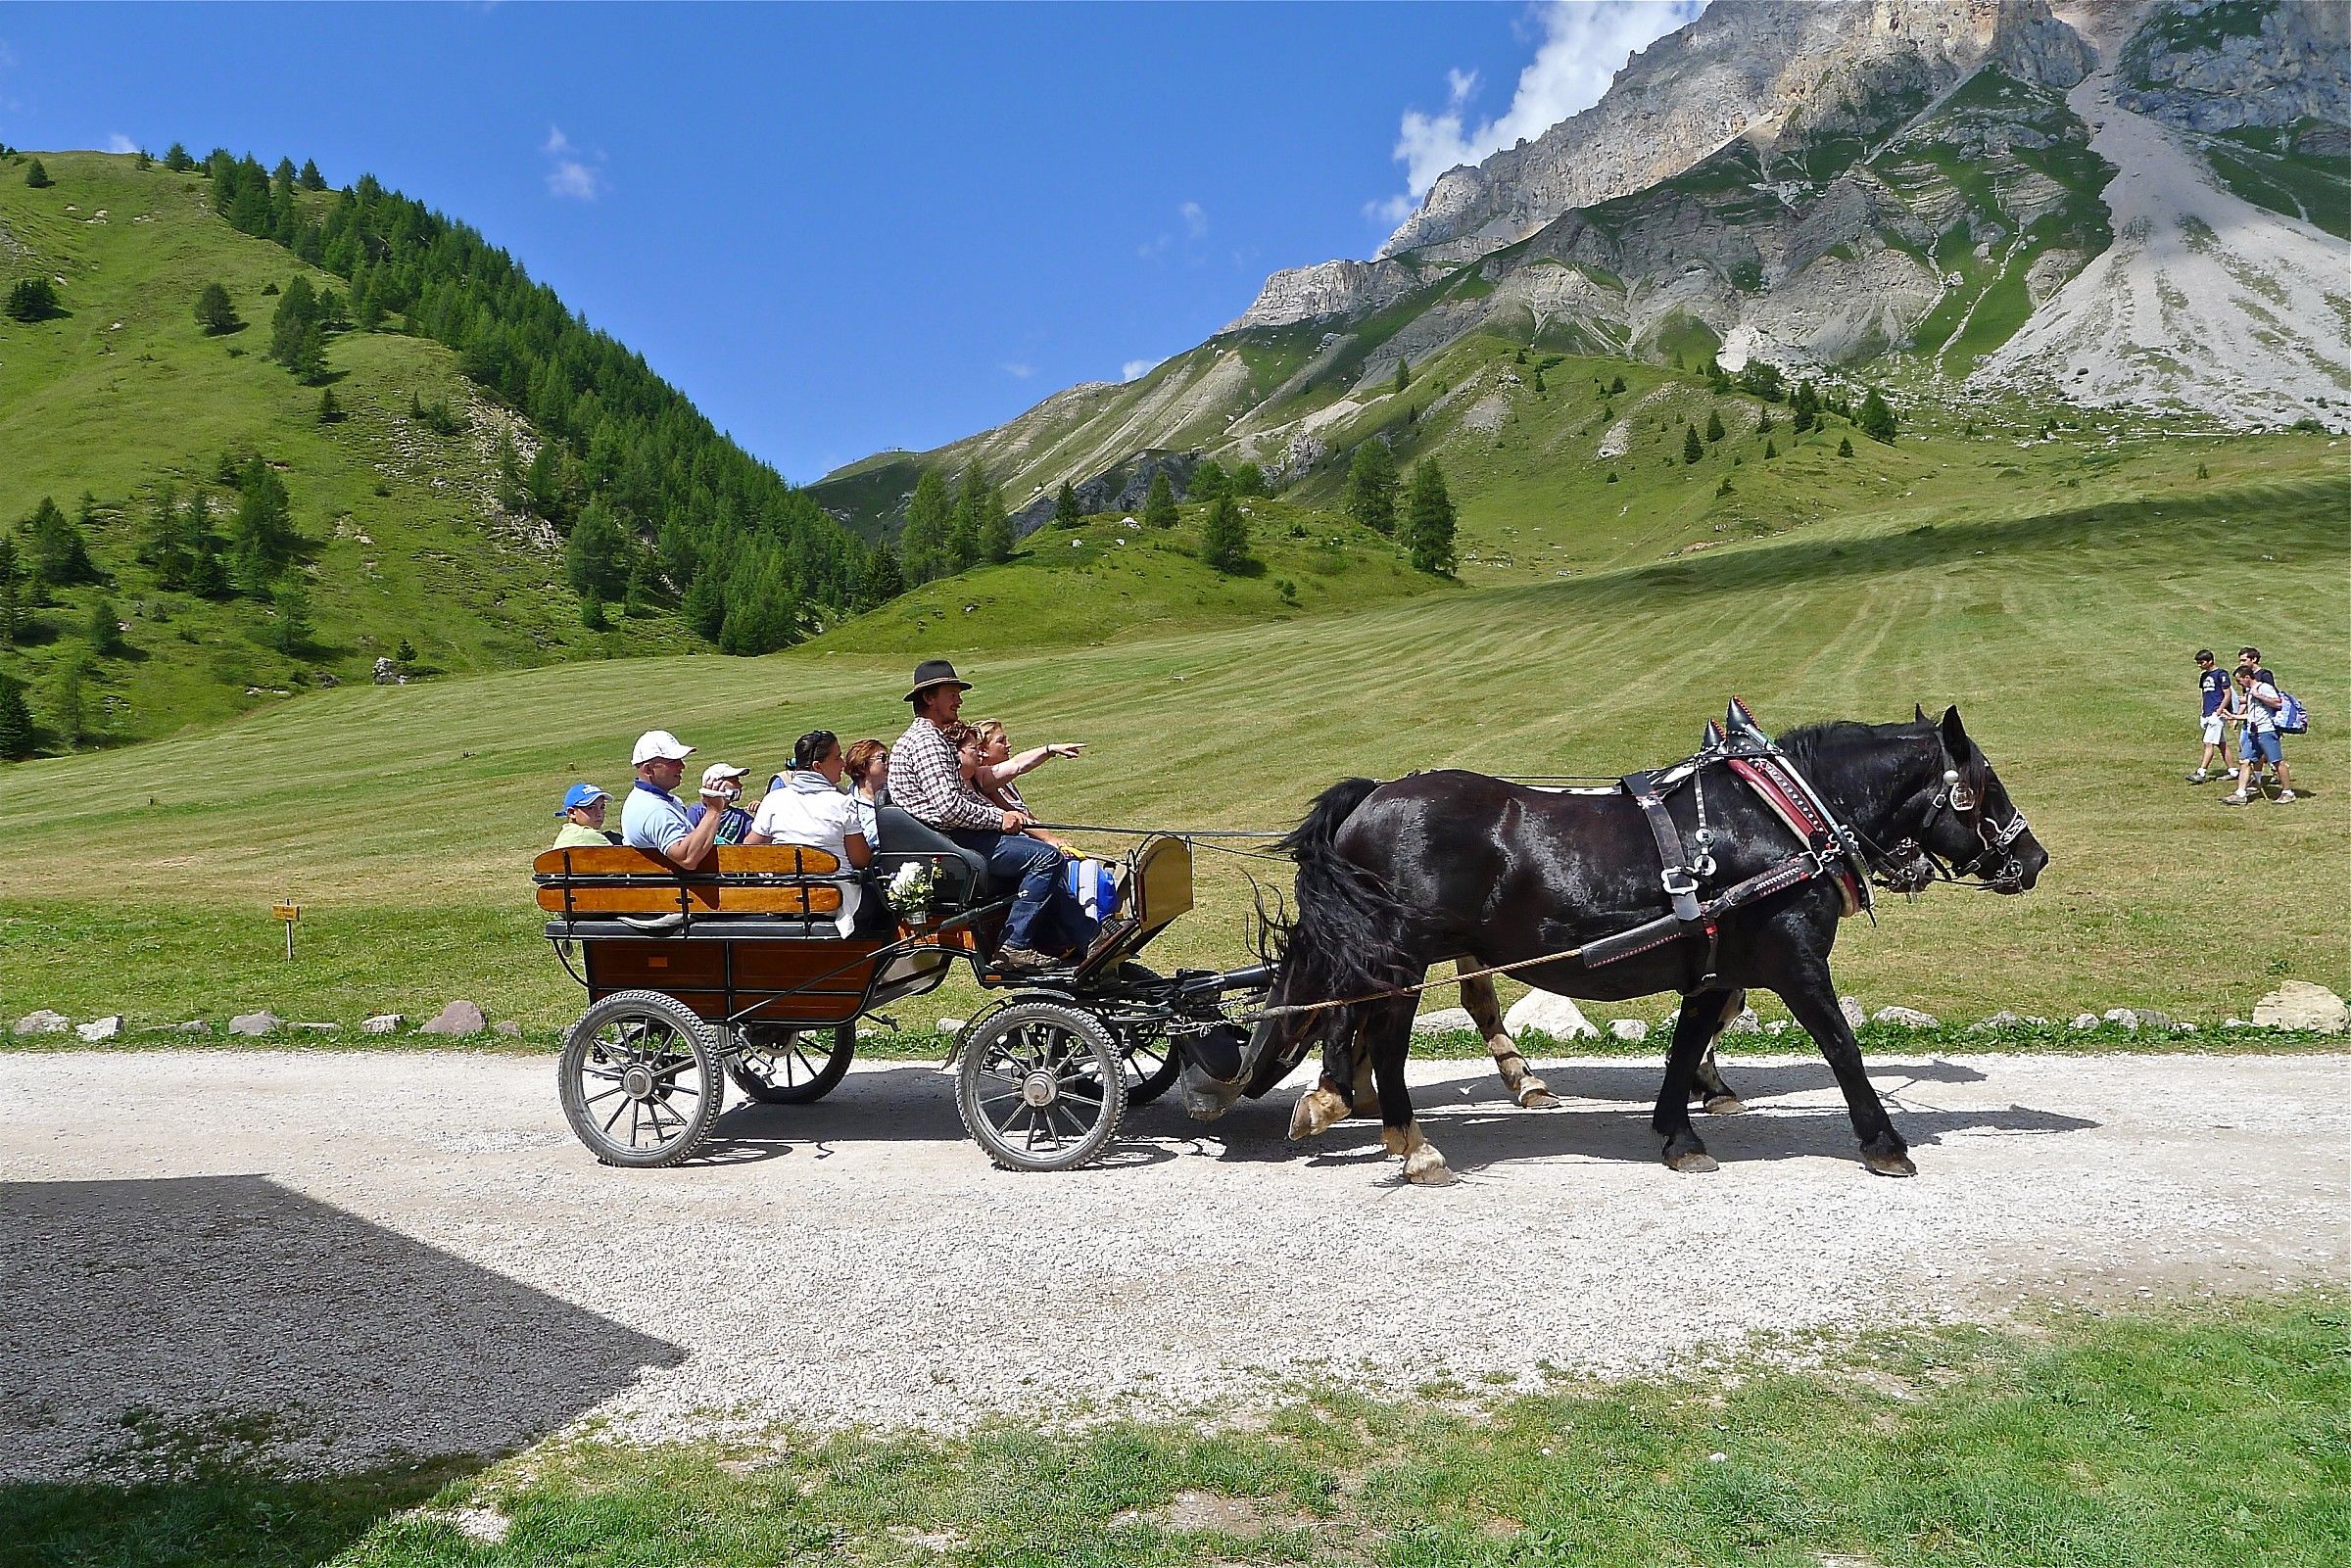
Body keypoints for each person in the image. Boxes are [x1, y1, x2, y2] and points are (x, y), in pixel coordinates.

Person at [887, 660, 1066, 971]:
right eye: (952, 694)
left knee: (1038, 852)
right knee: (1046, 858)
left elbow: (961, 797)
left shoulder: (931, 739)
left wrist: (1003, 815)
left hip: (952, 836)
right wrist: (999, 818)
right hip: (951, 841)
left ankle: (1068, 937)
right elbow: (949, 808)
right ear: (929, 698)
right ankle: (1015, 947)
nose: (959, 700)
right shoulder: (927, 742)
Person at [747, 731, 873, 870]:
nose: (843, 764)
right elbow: (860, 860)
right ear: (817, 766)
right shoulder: (842, 802)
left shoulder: (773, 800)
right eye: (837, 758)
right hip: (836, 882)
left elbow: (749, 849)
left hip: (786, 882)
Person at [619, 729, 734, 867]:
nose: (682, 766)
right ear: (648, 769)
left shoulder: (648, 800)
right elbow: (687, 858)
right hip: (681, 881)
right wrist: (714, 810)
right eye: (672, 761)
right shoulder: (653, 810)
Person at [972, 719, 1085, 849]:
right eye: (1001, 741)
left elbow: (1027, 815)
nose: (1008, 745)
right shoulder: (985, 785)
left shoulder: (1006, 782)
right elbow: (1019, 817)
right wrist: (1049, 839)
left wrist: (1052, 838)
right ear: (982, 750)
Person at [2222, 665, 2295, 804]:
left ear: (2247, 677)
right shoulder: (2250, 691)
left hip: (2267, 731)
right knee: (2245, 761)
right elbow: (2252, 715)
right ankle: (2240, 794)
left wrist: (2258, 696)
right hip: (2252, 732)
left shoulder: (2264, 687)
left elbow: (2278, 704)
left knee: (2277, 761)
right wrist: (2233, 716)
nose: (2238, 684)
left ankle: (2288, 792)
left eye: (2239, 680)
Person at [2187, 649, 2233, 784]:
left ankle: (2201, 772)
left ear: (2210, 661)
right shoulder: (2204, 676)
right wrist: (2203, 711)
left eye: (2201, 662)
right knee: (2221, 744)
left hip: (2216, 713)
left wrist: (2219, 710)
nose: (2199, 665)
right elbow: (2204, 695)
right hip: (2207, 713)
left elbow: (2227, 694)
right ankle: (2233, 770)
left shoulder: (2221, 674)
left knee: (2208, 743)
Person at [685, 762, 755, 846]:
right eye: (734, 781)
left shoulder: (742, 817)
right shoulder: (696, 812)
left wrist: (760, 813)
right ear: (716, 784)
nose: (740, 785)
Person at [843, 737, 889, 848]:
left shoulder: (896, 793)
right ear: (862, 766)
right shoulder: (847, 801)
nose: (888, 762)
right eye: (883, 758)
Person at [551, 783, 617, 848]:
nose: (599, 813)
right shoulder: (587, 835)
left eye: (602, 807)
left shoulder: (567, 833)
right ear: (572, 813)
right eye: (591, 808)